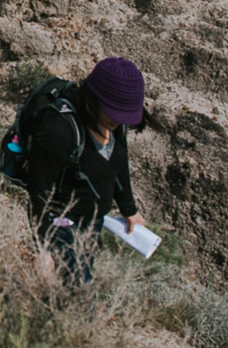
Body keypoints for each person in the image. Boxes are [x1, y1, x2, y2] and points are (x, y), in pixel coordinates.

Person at [27, 58, 147, 287]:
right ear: (95, 98)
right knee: (79, 292)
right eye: (114, 112)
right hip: (59, 219)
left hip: (93, 222)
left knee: (72, 284)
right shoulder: (59, 129)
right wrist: (43, 248)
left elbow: (118, 167)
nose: (119, 121)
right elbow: (39, 189)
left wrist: (130, 210)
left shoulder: (115, 124)